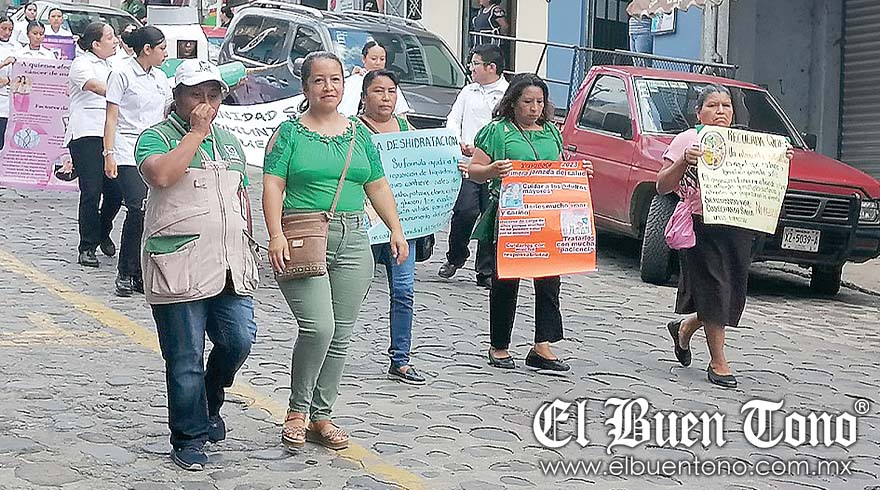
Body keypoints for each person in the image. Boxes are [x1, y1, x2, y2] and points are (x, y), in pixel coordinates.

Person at [263, 51, 408, 451]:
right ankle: (297, 410)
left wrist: (396, 229)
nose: (329, 87)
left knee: (341, 333)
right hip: (303, 236)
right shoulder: (290, 133)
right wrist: (274, 234)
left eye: (336, 80)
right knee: (319, 327)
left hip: (354, 238)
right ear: (305, 87)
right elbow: (273, 184)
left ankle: (321, 415)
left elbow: (377, 184)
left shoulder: (359, 133)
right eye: (319, 80)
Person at [135, 59, 258, 471]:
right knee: (185, 357)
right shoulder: (155, 137)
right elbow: (162, 176)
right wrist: (196, 134)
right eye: (195, 95)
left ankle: (208, 399)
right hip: (178, 264)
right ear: (177, 97)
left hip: (228, 264)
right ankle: (188, 437)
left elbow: (240, 196)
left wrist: (250, 242)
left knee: (239, 340)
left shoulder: (230, 142)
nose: (206, 103)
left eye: (213, 95)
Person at [657, 84, 794, 389]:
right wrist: (684, 161)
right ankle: (718, 362)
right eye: (712, 106)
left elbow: (766, 181)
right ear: (698, 112)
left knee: (729, 294)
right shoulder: (688, 140)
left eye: (726, 106)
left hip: (739, 225)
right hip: (701, 225)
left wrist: (780, 158)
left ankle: (685, 328)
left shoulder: (748, 144)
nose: (720, 111)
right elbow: (662, 185)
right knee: (715, 289)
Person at [464, 73, 592, 372]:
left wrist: (578, 171)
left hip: (546, 217)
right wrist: (492, 170)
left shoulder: (551, 132)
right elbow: (474, 170)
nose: (534, 108)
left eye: (539, 102)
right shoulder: (497, 132)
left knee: (549, 281)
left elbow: (558, 168)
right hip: (511, 217)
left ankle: (542, 345)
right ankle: (499, 345)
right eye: (527, 102)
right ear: (513, 102)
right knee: (506, 281)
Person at [358, 69, 425, 385]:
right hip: (365, 223)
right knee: (351, 290)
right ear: (364, 97)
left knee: (404, 291)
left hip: (403, 224)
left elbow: (427, 164)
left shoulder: (407, 129)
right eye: (378, 91)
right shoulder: (354, 130)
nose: (386, 98)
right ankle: (330, 351)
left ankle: (401, 359)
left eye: (391, 91)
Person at [104, 26, 170, 297]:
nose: (166, 53)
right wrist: (108, 153)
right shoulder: (121, 73)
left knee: (153, 212)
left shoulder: (161, 77)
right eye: (162, 48)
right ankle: (125, 271)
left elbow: (167, 111)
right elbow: (111, 117)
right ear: (147, 49)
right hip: (126, 147)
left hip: (153, 148)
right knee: (136, 206)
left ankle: (141, 272)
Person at [438, 44, 508, 289]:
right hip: (468, 164)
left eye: (476, 63)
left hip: (495, 167)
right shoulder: (468, 91)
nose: (471, 68)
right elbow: (453, 119)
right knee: (465, 212)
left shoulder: (507, 94)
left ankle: (485, 269)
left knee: (490, 218)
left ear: (491, 67)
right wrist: (458, 141)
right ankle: (455, 256)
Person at [65, 22, 123, 268]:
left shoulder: (117, 63)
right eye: (110, 37)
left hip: (114, 133)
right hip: (87, 132)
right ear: (96, 44)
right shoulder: (81, 64)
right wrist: (127, 92)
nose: (115, 40)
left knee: (116, 191)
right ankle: (87, 246)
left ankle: (102, 230)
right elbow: (97, 87)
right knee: (91, 190)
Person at [337, 41, 409, 117]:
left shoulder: (390, 82)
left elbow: (401, 113)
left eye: (382, 59)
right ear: (364, 59)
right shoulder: (352, 81)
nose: (378, 63)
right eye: (374, 59)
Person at [0, 17, 18, 149]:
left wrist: (9, 80)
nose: (7, 32)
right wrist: (4, 63)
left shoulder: (17, 47)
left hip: (10, 100)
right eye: (3, 28)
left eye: (10, 29)